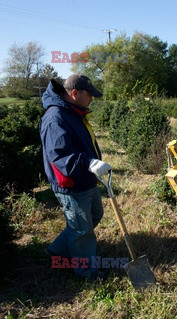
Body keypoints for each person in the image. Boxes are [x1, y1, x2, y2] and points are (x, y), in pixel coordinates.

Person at [40, 74, 111, 280]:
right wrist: (88, 162)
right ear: (74, 93)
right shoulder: (56, 117)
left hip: (85, 178)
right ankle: (86, 272)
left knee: (94, 215)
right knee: (82, 231)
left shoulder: (73, 112)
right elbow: (60, 155)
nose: (91, 99)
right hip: (71, 183)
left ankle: (57, 251)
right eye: (89, 95)